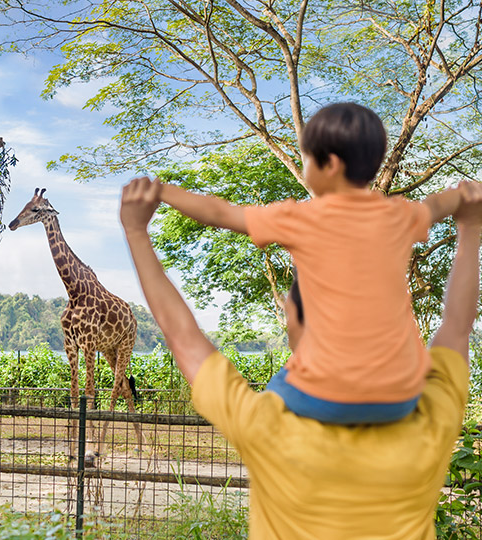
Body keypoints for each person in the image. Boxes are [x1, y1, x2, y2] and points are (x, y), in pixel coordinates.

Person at [120, 175, 481, 538]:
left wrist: (136, 232)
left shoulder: (270, 425)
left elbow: (183, 337)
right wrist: (471, 227)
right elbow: (457, 327)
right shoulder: (428, 418)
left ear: (295, 318)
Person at [157, 102, 480, 424]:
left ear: (331, 165)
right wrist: (466, 193)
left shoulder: (301, 217)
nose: (304, 165)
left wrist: (162, 191)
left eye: (306, 158)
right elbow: (439, 203)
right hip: (400, 395)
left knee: (273, 393)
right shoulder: (401, 215)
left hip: (325, 397)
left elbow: (219, 213)